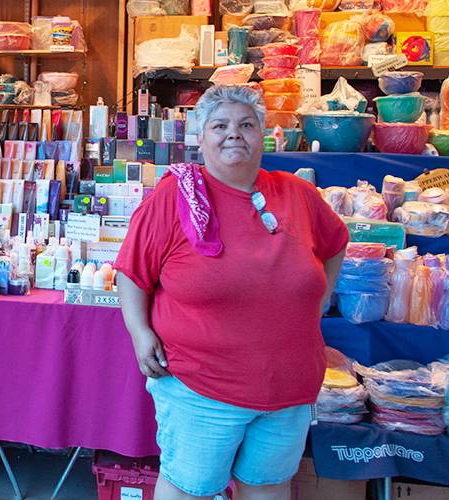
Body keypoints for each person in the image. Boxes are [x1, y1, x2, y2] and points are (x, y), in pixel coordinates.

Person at [116, 85, 348, 500]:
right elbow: (132, 273)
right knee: (191, 489)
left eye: (246, 124)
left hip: (289, 387)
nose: (234, 134)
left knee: (268, 487)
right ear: (200, 137)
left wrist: (319, 300)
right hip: (201, 386)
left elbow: (335, 243)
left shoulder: (298, 194)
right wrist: (140, 332)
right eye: (219, 125)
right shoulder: (173, 198)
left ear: (263, 135)